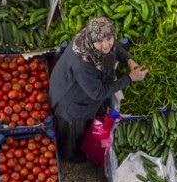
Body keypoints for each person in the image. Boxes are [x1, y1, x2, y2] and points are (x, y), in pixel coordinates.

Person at [49, 16, 148, 162]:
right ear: (91, 40)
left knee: (81, 123)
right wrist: (130, 78)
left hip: (81, 86)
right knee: (70, 130)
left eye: (109, 38)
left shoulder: (91, 36)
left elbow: (115, 48)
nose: (106, 44)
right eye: (100, 41)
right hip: (69, 99)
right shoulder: (82, 64)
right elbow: (98, 92)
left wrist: (129, 60)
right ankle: (68, 154)